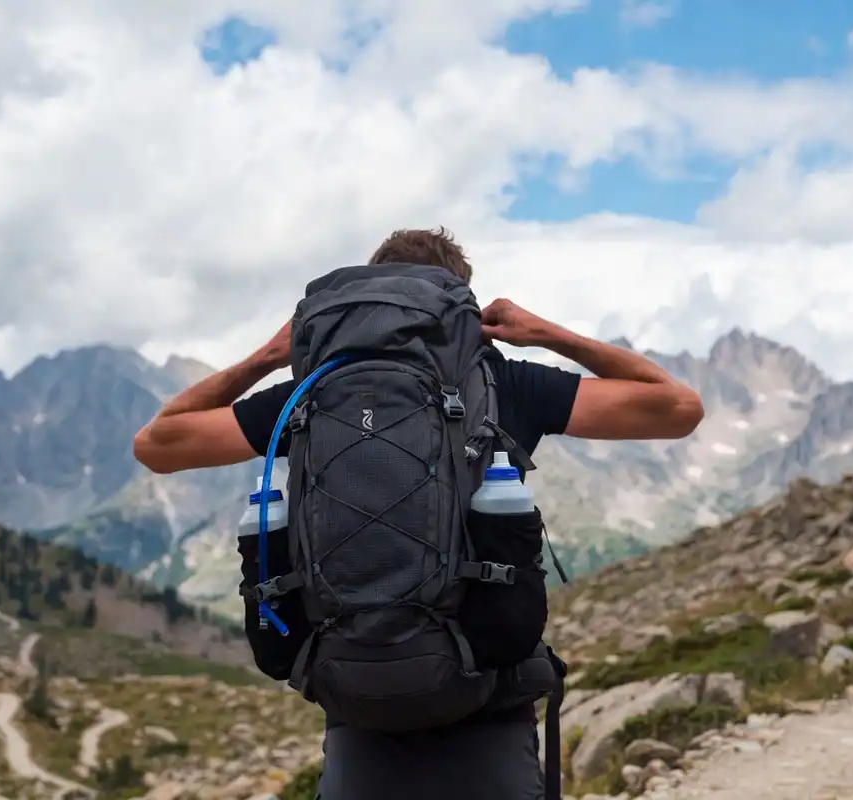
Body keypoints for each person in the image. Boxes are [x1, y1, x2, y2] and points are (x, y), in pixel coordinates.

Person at [133, 227, 705, 799]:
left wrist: (268, 356)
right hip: (488, 692)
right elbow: (678, 408)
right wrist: (546, 334)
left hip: (358, 695)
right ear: (459, 304)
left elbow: (157, 444)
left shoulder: (308, 396)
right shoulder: (501, 380)